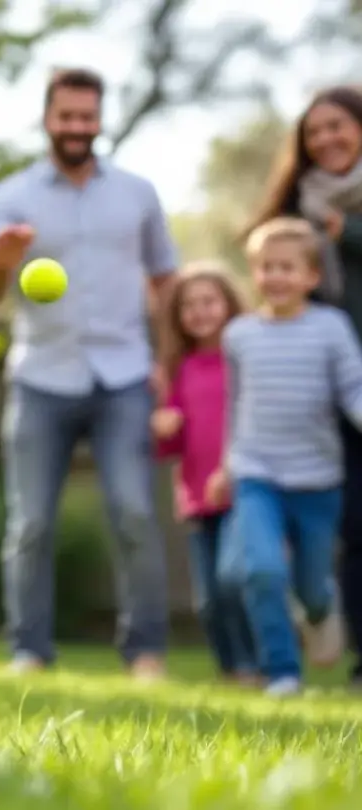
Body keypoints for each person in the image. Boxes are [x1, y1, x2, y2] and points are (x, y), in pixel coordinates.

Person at [0, 67, 178, 679]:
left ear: (100, 119)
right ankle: (29, 651)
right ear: (47, 119)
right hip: (41, 376)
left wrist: (166, 361)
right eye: (67, 116)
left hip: (124, 376)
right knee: (31, 523)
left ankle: (145, 652)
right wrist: (1, 265)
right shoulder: (11, 198)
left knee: (135, 514)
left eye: (87, 116)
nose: (77, 127)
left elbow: (166, 280)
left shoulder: (137, 194)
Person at [212, 217, 362, 695]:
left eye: (287, 267)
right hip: (256, 472)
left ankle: (320, 607)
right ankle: (282, 672)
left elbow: (353, 387)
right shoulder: (239, 335)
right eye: (266, 267)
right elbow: (236, 404)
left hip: (318, 478)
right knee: (261, 569)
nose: (275, 276)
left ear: (311, 276)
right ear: (253, 273)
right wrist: (226, 464)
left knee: (312, 585)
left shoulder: (331, 328)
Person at [249, 85, 362, 687]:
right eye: (314, 131)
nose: (325, 139)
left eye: (337, 126)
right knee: (353, 531)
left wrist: (350, 234)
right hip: (326, 391)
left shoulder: (341, 219)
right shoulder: (297, 208)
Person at [151, 262, 258, 685]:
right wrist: (164, 428)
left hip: (244, 489)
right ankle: (230, 670)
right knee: (209, 600)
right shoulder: (180, 369)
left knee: (234, 582)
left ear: (229, 304)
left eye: (209, 301)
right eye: (189, 305)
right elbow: (170, 447)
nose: (199, 312)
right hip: (198, 497)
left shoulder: (245, 360)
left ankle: (254, 665)